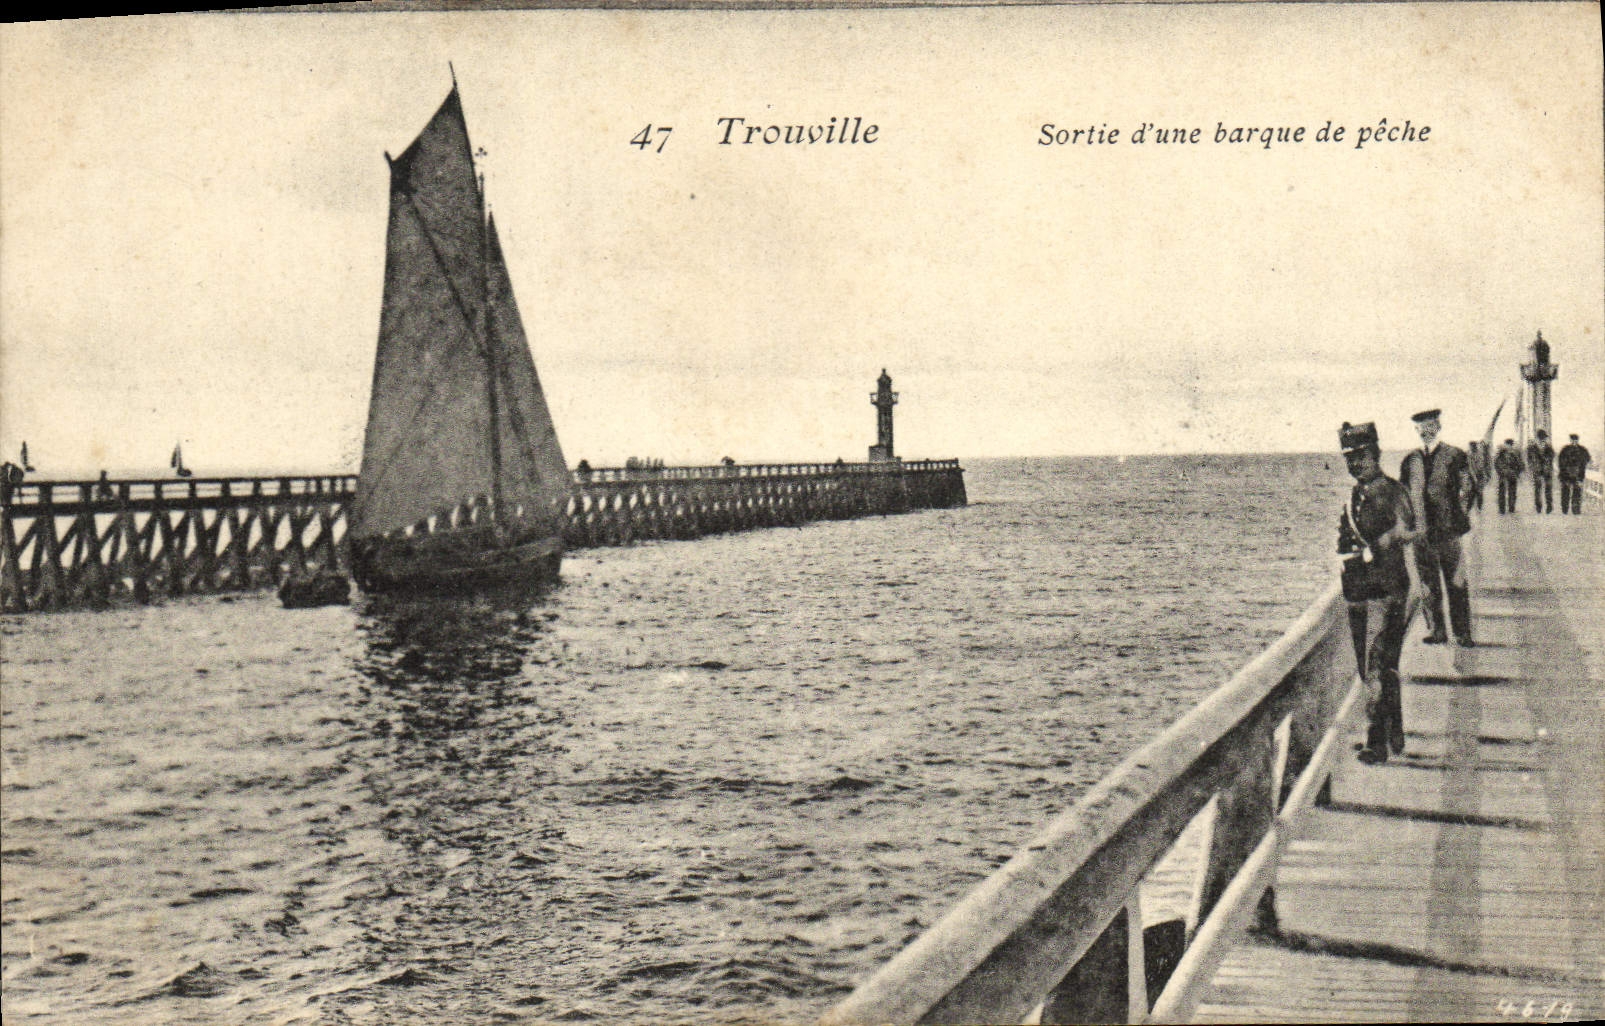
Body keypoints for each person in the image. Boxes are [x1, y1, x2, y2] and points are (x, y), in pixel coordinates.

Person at [1338, 421, 1417, 763]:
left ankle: (1377, 742)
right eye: (1350, 458)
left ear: (1377, 454)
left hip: (1386, 590)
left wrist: (1384, 542)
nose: (1356, 464)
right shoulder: (1357, 493)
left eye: (1362, 456)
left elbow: (1412, 528)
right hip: (1359, 589)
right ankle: (1393, 732)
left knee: (1375, 665)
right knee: (1375, 665)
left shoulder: (1393, 491)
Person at [1399, 409, 1475, 647]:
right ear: (1416, 431)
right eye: (1422, 427)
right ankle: (1437, 630)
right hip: (1421, 534)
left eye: (1431, 426)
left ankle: (1462, 634)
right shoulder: (1410, 460)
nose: (1426, 431)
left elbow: (1468, 488)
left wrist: (1458, 518)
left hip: (1448, 532)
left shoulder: (1455, 455)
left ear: (1439, 427)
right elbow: (1402, 496)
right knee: (1428, 585)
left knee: (1457, 582)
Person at [1557, 434, 1591, 515]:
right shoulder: (1565, 449)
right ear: (1570, 440)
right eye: (1572, 440)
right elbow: (1560, 461)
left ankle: (1576, 509)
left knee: (1577, 491)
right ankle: (1565, 509)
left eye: (1575, 440)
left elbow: (1588, 459)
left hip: (1578, 474)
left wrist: (1582, 466)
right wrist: (1563, 471)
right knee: (1565, 491)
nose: (1574, 442)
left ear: (1577, 441)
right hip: (1566, 474)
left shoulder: (1582, 450)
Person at [1526, 429, 1555, 514]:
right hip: (1537, 470)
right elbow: (1529, 459)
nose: (1542, 440)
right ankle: (1538, 506)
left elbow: (1552, 457)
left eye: (1544, 438)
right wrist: (1532, 468)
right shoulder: (1532, 447)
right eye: (1541, 438)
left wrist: (1548, 463)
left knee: (1548, 488)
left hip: (1547, 470)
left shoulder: (1549, 447)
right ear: (1537, 438)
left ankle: (1549, 506)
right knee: (1537, 488)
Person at [1494, 438, 1524, 515]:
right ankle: (1510, 508)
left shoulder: (1501, 452)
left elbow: (1496, 463)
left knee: (1503, 492)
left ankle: (1503, 509)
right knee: (1511, 491)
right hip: (1510, 474)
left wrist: (1499, 472)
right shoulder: (1515, 452)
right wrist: (1518, 473)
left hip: (1505, 474)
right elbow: (1520, 463)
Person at [1466, 441, 1487, 511]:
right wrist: (1474, 477)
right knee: (1471, 492)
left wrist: (1478, 475)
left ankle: (1479, 507)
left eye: (1471, 446)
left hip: (1480, 475)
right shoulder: (1469, 454)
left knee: (1479, 492)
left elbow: (1481, 465)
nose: (1471, 447)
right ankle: (1469, 508)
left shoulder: (1479, 454)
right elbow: (1470, 467)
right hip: (1472, 476)